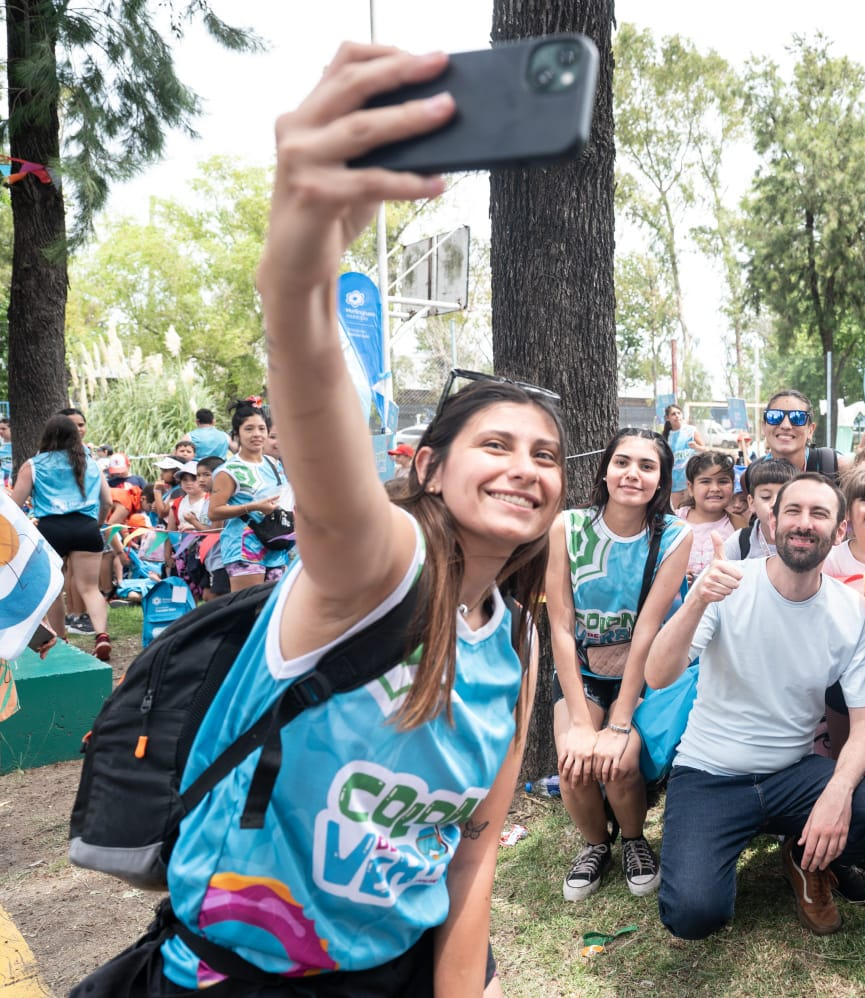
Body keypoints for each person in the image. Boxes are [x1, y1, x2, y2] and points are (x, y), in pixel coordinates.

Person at [71, 45, 563, 996]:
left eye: (545, 455)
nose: (525, 468)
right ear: (426, 467)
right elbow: (315, 393)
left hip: (395, 972)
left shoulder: (519, 644)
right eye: (495, 445)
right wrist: (298, 267)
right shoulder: (376, 566)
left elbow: (471, 863)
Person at [646, 472, 865, 939]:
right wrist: (698, 599)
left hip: (791, 773)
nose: (804, 524)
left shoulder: (850, 611)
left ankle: (802, 857)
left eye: (819, 514)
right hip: (710, 774)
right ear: (772, 521)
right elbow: (657, 676)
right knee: (694, 916)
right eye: (794, 511)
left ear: (839, 530)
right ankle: (720, 852)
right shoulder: (727, 584)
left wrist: (837, 792)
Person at [546, 429, 691, 903]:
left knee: (621, 762)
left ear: (662, 480)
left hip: (640, 671)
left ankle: (633, 840)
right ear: (605, 469)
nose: (633, 474)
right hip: (581, 671)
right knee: (574, 761)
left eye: (647, 467)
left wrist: (620, 721)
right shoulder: (567, 527)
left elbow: (648, 631)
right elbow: (561, 626)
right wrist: (582, 723)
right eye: (622, 462)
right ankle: (594, 846)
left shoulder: (674, 535)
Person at [8, 413, 113, 661]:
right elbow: (107, 501)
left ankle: (62, 640)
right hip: (87, 528)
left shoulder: (33, 465)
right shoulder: (90, 462)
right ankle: (101, 636)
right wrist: (94, 524)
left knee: (54, 589)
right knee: (89, 588)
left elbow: (15, 506)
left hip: (51, 529)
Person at [209, 399, 293, 591]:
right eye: (249, 429)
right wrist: (254, 507)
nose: (257, 434)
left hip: (275, 546)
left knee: (271, 611)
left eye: (262, 429)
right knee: (247, 610)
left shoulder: (274, 464)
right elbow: (214, 512)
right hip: (244, 549)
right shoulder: (228, 471)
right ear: (236, 433)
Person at [675, 450, 738, 586]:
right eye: (705, 481)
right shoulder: (675, 521)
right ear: (690, 488)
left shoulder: (739, 526)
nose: (715, 488)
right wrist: (675, 572)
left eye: (722, 481)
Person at [760, 388, 848, 479]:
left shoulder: (837, 468)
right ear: (764, 427)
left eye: (797, 418)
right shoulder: (749, 477)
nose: (785, 425)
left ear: (810, 430)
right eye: (775, 417)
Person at [725, 457, 793, 561]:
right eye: (766, 497)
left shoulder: (808, 541)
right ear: (751, 503)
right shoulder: (740, 541)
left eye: (783, 496)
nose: (775, 503)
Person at [662, 404, 706, 507]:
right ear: (668, 418)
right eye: (673, 414)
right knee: (679, 511)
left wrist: (696, 447)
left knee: (692, 508)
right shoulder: (666, 436)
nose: (677, 416)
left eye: (678, 413)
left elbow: (704, 449)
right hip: (674, 482)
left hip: (689, 478)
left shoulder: (691, 431)